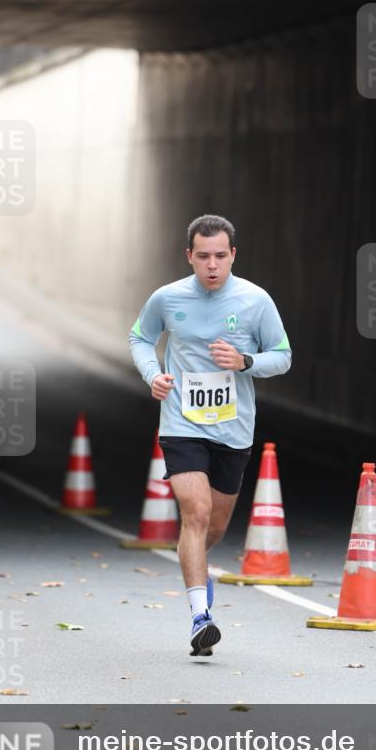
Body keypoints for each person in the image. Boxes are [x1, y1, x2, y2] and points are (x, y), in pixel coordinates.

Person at [129, 215, 292, 656]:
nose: (212, 265)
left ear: (233, 255)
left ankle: (198, 573)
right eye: (203, 256)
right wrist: (153, 374)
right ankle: (200, 616)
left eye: (221, 255)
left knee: (213, 526)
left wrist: (245, 362)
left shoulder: (256, 300)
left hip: (233, 428)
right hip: (181, 422)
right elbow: (140, 338)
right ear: (189, 256)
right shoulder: (167, 297)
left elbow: (283, 355)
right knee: (196, 513)